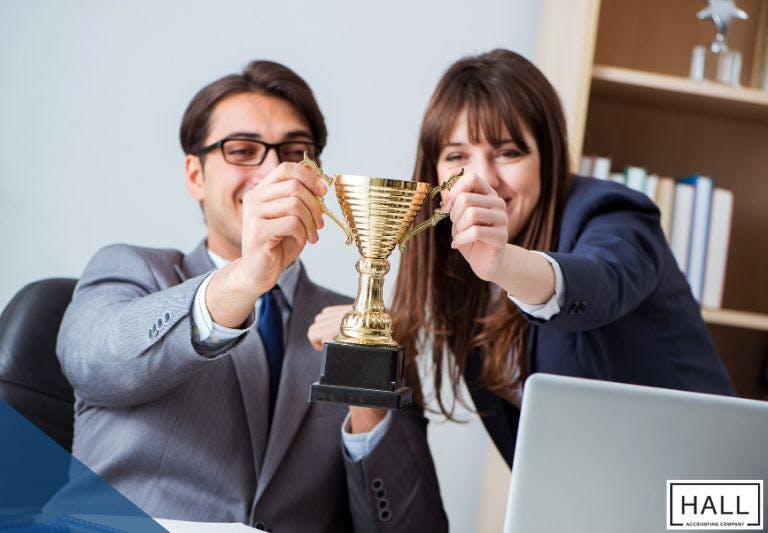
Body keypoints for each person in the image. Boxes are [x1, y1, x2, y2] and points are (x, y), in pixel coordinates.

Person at [56, 60, 446, 532]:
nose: (272, 173)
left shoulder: (361, 324)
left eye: (296, 152)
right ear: (195, 175)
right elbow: (94, 364)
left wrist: (367, 399)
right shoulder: (130, 271)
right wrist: (245, 278)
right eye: (242, 150)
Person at [314, 49, 734, 469]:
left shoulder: (612, 212)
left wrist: (504, 263)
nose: (480, 179)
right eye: (457, 156)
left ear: (546, 159)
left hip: (707, 485)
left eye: (508, 152)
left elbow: (601, 280)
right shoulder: (456, 273)